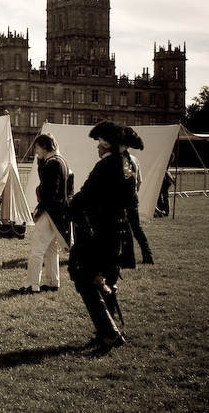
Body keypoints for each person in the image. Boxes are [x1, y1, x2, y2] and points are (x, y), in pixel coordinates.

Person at [68, 121, 134, 353]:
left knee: (85, 279)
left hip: (100, 230)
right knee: (108, 278)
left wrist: (72, 203)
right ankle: (106, 331)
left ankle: (110, 333)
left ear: (106, 146)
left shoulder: (105, 166)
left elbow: (86, 196)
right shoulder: (129, 164)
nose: (97, 148)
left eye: (99, 144)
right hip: (118, 229)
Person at [13, 133, 72, 294]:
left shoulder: (52, 163)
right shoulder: (61, 161)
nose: (36, 152)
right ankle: (53, 282)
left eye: (37, 148)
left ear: (44, 147)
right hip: (59, 211)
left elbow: (49, 190)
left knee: (37, 249)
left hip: (50, 211)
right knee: (51, 249)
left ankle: (32, 284)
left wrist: (40, 208)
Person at [123, 127, 154, 264]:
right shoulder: (135, 159)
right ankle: (147, 255)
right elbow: (139, 181)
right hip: (133, 196)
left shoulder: (122, 160)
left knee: (127, 228)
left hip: (124, 197)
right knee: (136, 227)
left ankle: (128, 256)